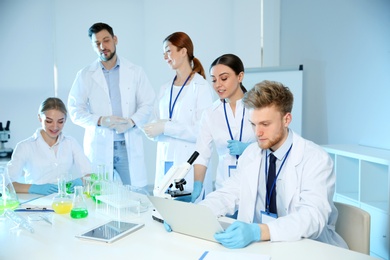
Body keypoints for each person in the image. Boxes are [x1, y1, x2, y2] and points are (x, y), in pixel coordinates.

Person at [194, 80, 348, 249]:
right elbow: (228, 194)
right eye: (253, 124)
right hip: (262, 247)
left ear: (286, 119)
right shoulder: (251, 154)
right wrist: (194, 215)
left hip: (308, 248)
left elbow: (312, 217)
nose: (257, 132)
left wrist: (259, 231)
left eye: (265, 124)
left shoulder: (315, 159)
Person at [68, 22, 155, 187]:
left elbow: (148, 102)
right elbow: (74, 111)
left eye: (106, 40)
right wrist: (100, 120)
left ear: (115, 39)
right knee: (99, 196)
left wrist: (132, 121)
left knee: (135, 195)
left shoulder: (135, 71)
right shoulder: (85, 75)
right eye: (97, 43)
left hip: (127, 145)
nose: (102, 46)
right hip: (99, 145)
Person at [143, 32, 213, 200]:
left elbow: (201, 132)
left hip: (188, 164)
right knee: (166, 213)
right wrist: (152, 129)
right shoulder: (165, 89)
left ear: (183, 51)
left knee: (189, 219)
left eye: (168, 51)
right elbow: (155, 121)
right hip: (165, 162)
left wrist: (165, 127)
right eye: (164, 53)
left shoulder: (201, 87)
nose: (165, 57)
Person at [191, 54, 256, 203]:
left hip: (255, 185)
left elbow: (272, 143)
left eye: (224, 78)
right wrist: (197, 184)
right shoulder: (210, 113)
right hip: (224, 187)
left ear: (240, 77)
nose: (218, 84)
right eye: (214, 80)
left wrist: (249, 148)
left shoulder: (257, 107)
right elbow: (202, 152)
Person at [7, 97, 92, 195]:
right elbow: (7, 184)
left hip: (64, 202)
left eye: (60, 121)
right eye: (49, 121)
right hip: (35, 203)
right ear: (40, 118)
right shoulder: (25, 146)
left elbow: (90, 174)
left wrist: (80, 181)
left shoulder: (71, 143)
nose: (55, 127)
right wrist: (34, 188)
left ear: (65, 120)